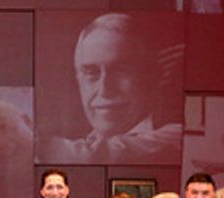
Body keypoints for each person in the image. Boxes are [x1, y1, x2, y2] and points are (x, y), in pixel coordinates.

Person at [43, 12, 182, 164]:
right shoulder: (82, 144)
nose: (104, 89)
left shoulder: (176, 137)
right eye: (91, 72)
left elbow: (97, 156)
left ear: (152, 77)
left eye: (121, 70)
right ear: (78, 81)